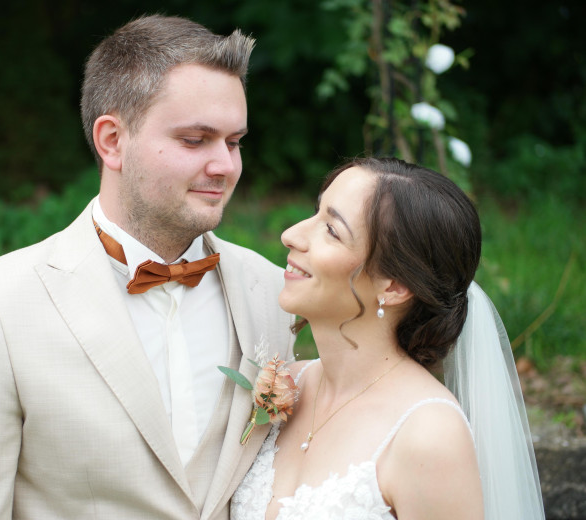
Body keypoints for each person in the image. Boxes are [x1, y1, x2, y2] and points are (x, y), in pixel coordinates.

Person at [0, 15, 295, 519]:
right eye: (194, 139)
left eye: (234, 141)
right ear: (112, 140)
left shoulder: (272, 292)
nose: (225, 165)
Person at [231, 157, 545, 519]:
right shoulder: (285, 386)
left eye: (331, 230)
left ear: (394, 286)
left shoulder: (428, 435)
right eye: (316, 212)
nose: (291, 234)